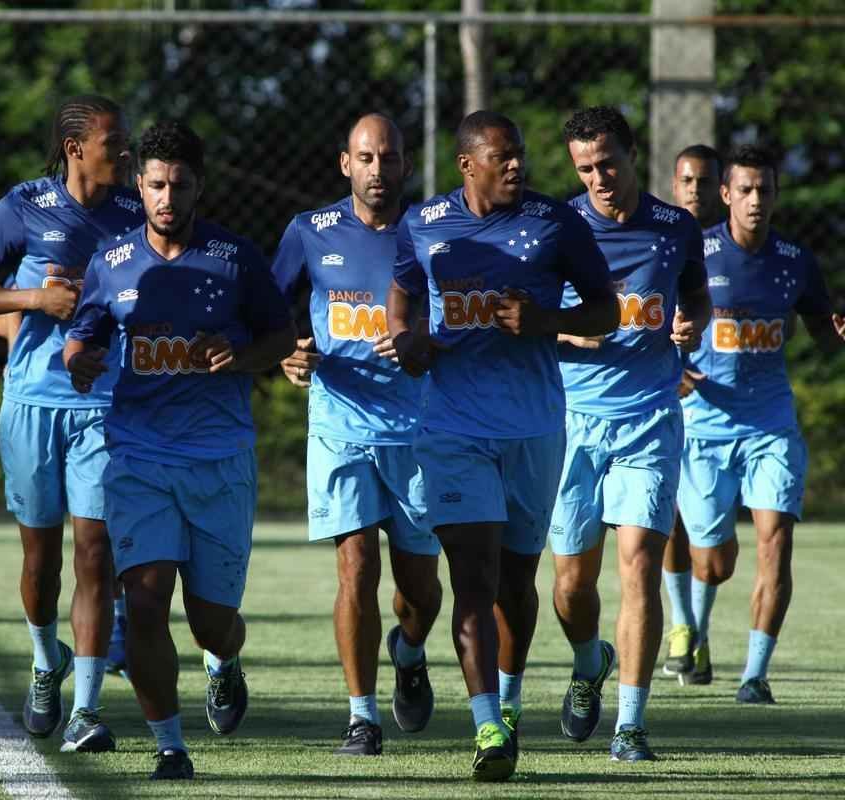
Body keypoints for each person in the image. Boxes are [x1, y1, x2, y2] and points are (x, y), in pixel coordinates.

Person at [386, 110, 617, 782]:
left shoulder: (557, 223)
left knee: (516, 584)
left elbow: (606, 310)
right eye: (502, 157)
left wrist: (546, 319)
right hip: (452, 429)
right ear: (468, 165)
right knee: (474, 578)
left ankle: (509, 702)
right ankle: (488, 725)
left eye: (519, 154)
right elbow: (402, 298)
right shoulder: (424, 225)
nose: (517, 165)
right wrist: (407, 342)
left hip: (535, 428)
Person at [64, 120, 296, 780]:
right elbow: (80, 339)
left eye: (181, 185)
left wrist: (242, 356)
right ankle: (170, 744)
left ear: (201, 186)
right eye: (157, 185)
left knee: (209, 621)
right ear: (140, 185)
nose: (168, 197)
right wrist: (81, 360)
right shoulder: (111, 261)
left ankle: (224, 659)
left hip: (218, 457)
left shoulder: (235, 257)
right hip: (137, 455)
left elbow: (281, 338)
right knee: (143, 600)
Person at [0, 95, 142, 752]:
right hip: (32, 403)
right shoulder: (23, 206)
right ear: (75, 150)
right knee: (40, 559)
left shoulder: (135, 211)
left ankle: (87, 711)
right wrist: (36, 297)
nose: (125, 153)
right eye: (113, 142)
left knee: (95, 551)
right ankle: (45, 660)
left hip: (104, 404)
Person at [271, 113, 442, 757]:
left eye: (389, 158)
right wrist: (289, 351)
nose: (378, 170)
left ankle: (413, 650)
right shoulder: (309, 232)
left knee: (420, 591)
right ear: (347, 164)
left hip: (419, 431)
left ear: (405, 164)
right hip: (340, 425)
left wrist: (422, 341)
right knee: (355, 569)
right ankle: (360, 717)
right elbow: (265, 311)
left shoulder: (432, 232)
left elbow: (458, 322)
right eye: (366, 158)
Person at [550, 106, 711, 762]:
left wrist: (692, 323)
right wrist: (567, 331)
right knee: (570, 584)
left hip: (649, 417)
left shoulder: (675, 228)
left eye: (607, 164)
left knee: (640, 563)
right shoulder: (557, 227)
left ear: (633, 155)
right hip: (571, 423)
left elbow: (696, 295)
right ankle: (590, 660)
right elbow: (529, 318)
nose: (598, 178)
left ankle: (631, 725)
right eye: (585, 169)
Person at [678, 144, 845, 704]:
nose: (754, 200)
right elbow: (652, 319)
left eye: (764, 190)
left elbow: (823, 329)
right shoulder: (694, 254)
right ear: (724, 195)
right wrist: (674, 369)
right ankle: (695, 632)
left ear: (775, 196)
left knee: (775, 541)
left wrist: (837, 335)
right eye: (743, 190)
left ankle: (754, 675)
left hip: (771, 422)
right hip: (704, 425)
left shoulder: (796, 261)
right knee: (715, 561)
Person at [662, 143, 723, 681]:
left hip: (721, 414)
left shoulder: (733, 249)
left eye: (705, 182)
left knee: (716, 553)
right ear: (674, 183)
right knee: (664, 521)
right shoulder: (660, 236)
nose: (695, 191)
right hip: (663, 401)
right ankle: (682, 627)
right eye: (687, 181)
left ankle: (697, 628)